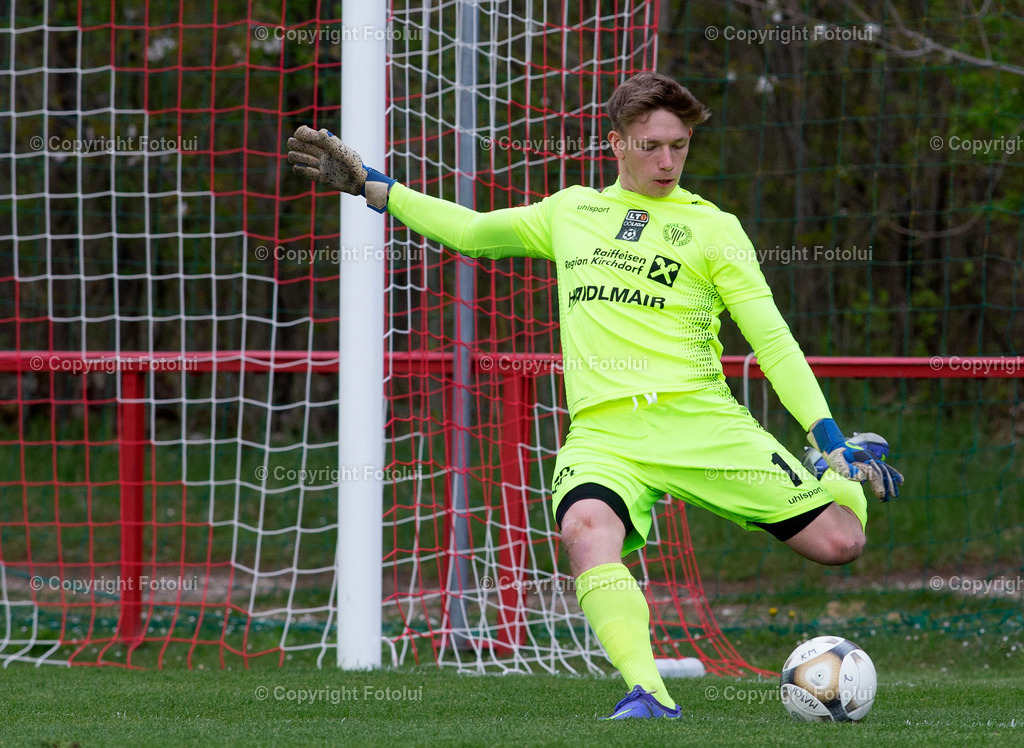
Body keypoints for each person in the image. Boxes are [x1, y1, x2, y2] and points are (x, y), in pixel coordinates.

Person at [286, 71, 903, 720]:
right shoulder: (571, 211)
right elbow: (470, 231)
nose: (667, 160)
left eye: (679, 146)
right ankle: (649, 694)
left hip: (703, 424)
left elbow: (772, 341)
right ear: (616, 144)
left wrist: (826, 434)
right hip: (605, 435)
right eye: (651, 145)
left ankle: (837, 476)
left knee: (842, 545)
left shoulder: (713, 229)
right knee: (584, 530)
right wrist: (375, 189)